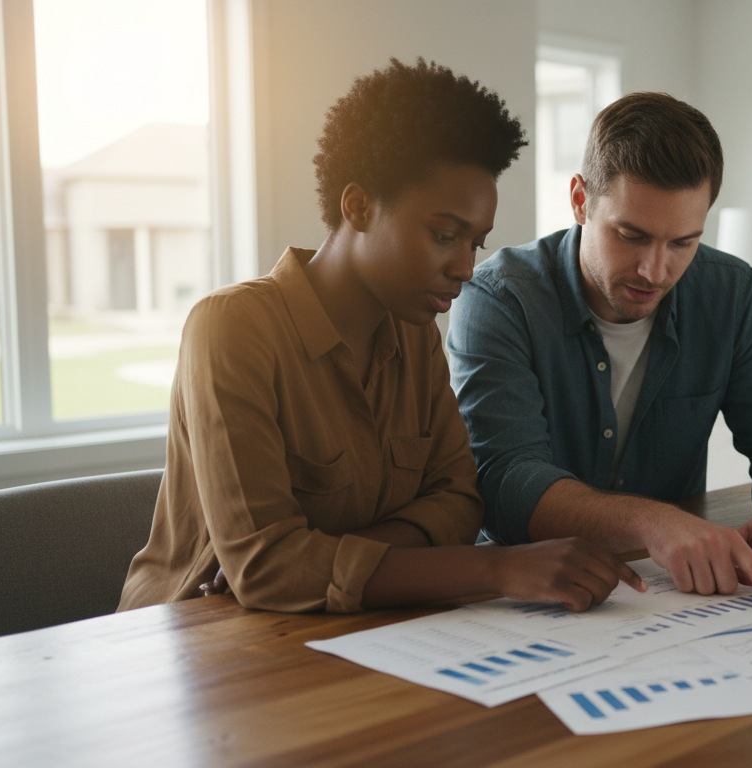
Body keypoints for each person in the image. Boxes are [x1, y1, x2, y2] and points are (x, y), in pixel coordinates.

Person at [119, 59, 642, 615]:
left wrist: (320, 560)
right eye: (444, 235)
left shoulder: (413, 334)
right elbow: (267, 569)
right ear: (358, 206)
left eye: (477, 243)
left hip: (334, 626)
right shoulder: (230, 329)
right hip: (192, 633)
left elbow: (461, 504)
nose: (466, 267)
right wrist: (498, 566)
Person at [447, 92, 752, 606]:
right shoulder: (499, 298)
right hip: (528, 597)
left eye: (683, 242)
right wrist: (653, 522)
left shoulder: (730, 293)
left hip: (673, 597)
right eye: (631, 235)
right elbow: (505, 482)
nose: (656, 272)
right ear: (580, 200)